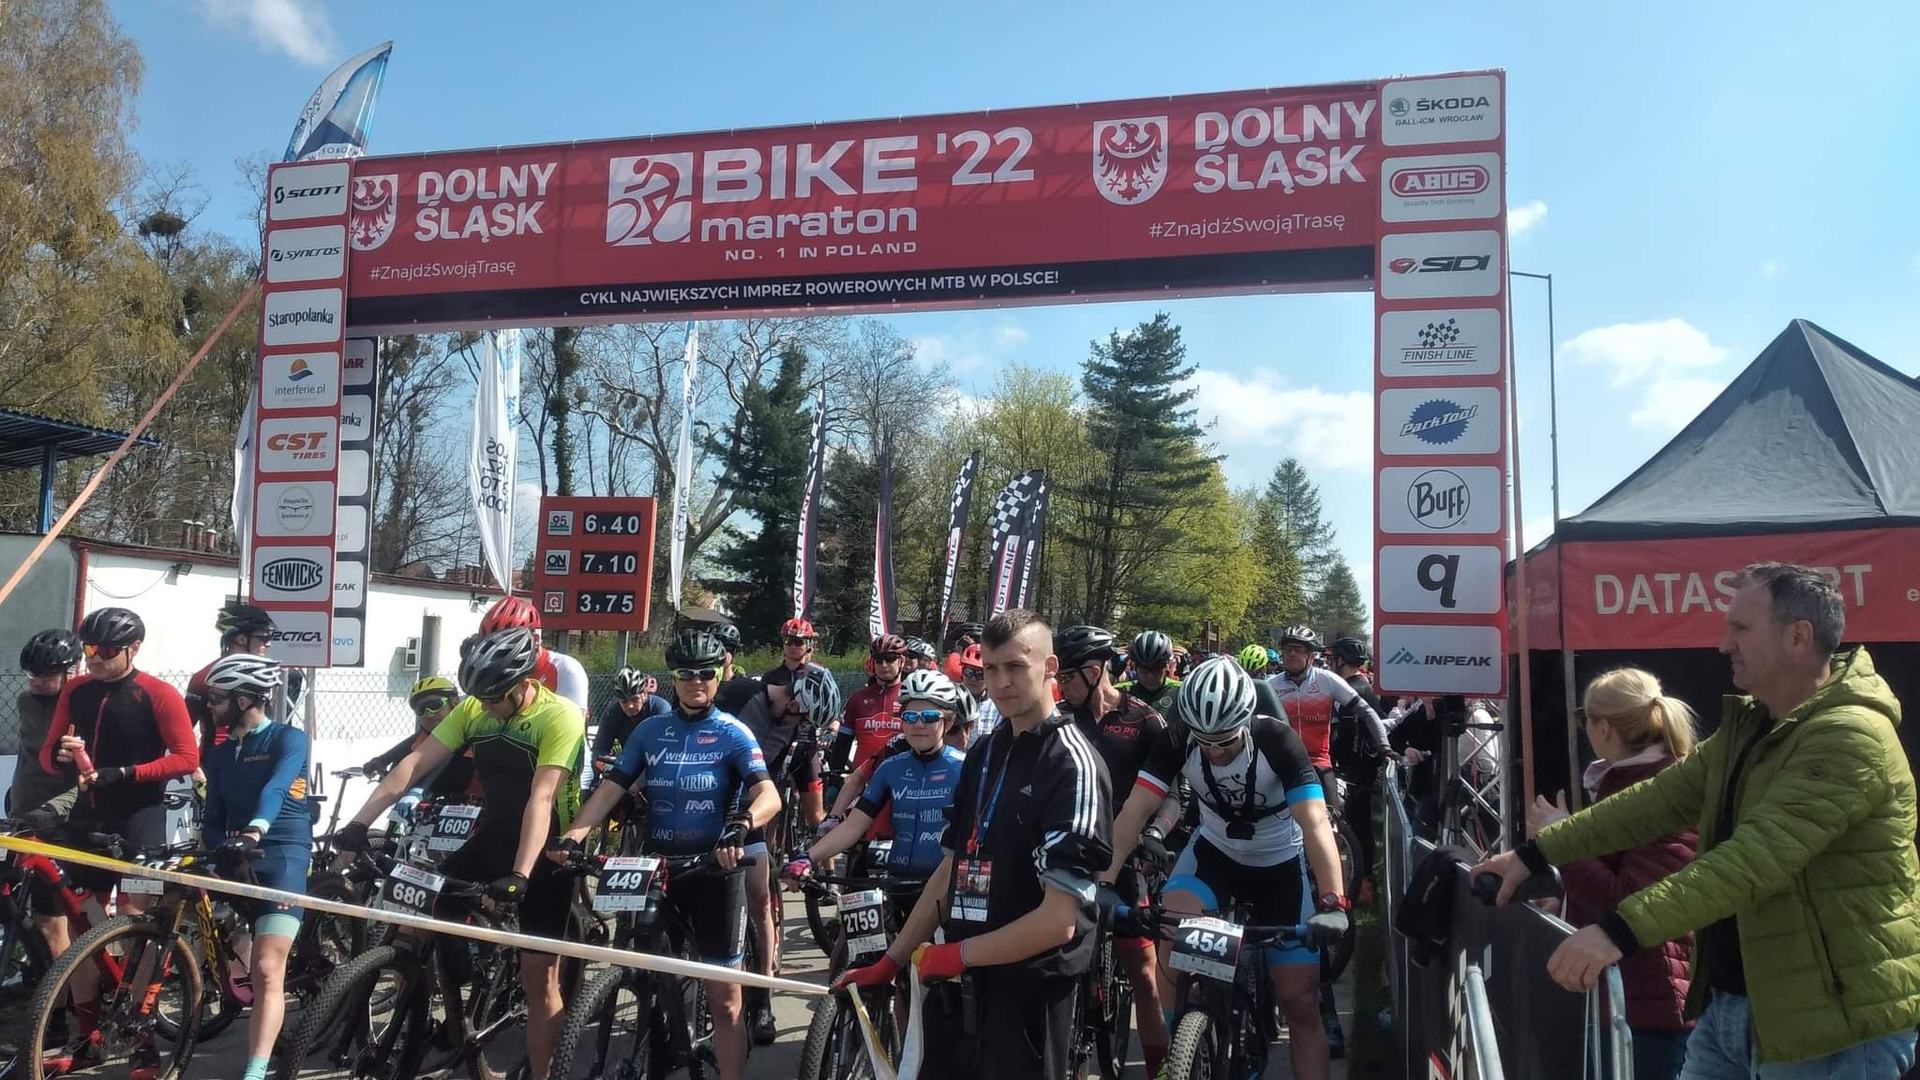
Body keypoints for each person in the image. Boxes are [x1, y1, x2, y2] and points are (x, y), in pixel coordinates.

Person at [1474, 562, 1920, 1077]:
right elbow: (1655, 801)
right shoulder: (1756, 724)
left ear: (1798, 637)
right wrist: (1532, 854)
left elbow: (1753, 860)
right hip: (1739, 1009)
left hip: (1829, 1028)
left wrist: (1617, 931)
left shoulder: (1849, 734)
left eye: (1741, 628)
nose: (1723, 643)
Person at [836, 610, 1113, 1080]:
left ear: (1050, 668)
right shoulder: (985, 750)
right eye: (991, 668)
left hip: (1028, 993)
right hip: (960, 984)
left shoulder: (1073, 764)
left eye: (1016, 667)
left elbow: (1058, 922)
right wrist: (892, 960)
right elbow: (950, 869)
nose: (1001, 683)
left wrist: (957, 955)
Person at [333, 628, 586, 1080]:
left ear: (522, 684)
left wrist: (520, 875)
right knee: (419, 912)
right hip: (495, 833)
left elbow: (542, 798)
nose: (484, 706)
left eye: (493, 698)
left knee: (539, 980)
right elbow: (414, 764)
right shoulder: (473, 708)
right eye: (479, 697)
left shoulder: (559, 715)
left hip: (548, 849)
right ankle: (453, 1006)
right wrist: (359, 823)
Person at [547, 629, 780, 1080]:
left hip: (713, 870)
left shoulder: (733, 733)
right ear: (673, 678)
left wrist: (742, 825)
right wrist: (573, 836)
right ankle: (664, 1039)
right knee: (644, 970)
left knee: (725, 1000)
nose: (696, 682)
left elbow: (769, 795)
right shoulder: (651, 731)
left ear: (718, 677)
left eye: (705, 673)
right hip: (655, 868)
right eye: (686, 674)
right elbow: (611, 789)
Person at [1109, 656, 1351, 1080]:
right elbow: (1134, 812)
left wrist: (1333, 901)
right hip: (1215, 854)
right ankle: (1179, 1049)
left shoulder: (1277, 740)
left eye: (1224, 741)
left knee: (1300, 1003)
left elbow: (1314, 824)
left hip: (1278, 863)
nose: (1215, 751)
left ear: (1245, 721)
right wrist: (1104, 881)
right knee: (1170, 930)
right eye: (1205, 742)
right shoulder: (1178, 737)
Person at [36, 607, 198, 1074]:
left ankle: (141, 1037)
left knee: (134, 924)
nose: (94, 658)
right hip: (88, 817)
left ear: (134, 649)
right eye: (88, 649)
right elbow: (47, 754)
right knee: (75, 923)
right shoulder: (77, 690)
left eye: (106, 651)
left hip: (140, 818)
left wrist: (126, 773)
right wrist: (61, 756)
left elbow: (186, 758)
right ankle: (89, 1033)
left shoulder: (158, 693)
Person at [1529, 667, 1699, 1080]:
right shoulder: (1629, 782)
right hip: (1629, 995)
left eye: (1582, 718)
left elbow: (1627, 900)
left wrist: (1561, 838)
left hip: (1649, 1004)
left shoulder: (1663, 788)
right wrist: (1564, 902)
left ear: (1603, 728)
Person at [1056, 625, 1174, 1079]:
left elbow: (1174, 790)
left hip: (1126, 858)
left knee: (1143, 973)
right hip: (1070, 854)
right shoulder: (1058, 718)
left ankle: (1160, 1070)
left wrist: (1156, 833)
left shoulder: (1145, 720)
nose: (1060, 685)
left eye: (1067, 676)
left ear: (1093, 671)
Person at [199, 653, 311, 1080]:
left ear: (244, 699)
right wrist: (223, 849)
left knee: (266, 969)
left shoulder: (288, 739)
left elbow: (276, 788)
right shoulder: (219, 755)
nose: (210, 705)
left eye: (217, 697)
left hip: (282, 853)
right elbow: (212, 818)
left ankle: (256, 1072)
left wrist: (253, 832)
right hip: (238, 853)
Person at [785, 669, 967, 885]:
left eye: (929, 717)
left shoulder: (963, 768)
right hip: (895, 882)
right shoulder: (890, 768)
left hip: (942, 886)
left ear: (948, 723)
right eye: (910, 717)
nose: (919, 725)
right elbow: (853, 826)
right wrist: (808, 858)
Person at [361, 676, 481, 813]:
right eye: (421, 709)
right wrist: (382, 760)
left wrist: (419, 790)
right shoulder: (424, 735)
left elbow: (446, 752)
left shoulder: (471, 724)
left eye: (434, 705)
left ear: (454, 702)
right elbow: (407, 746)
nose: (428, 714)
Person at [1327, 637, 1385, 906]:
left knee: (1355, 826)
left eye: (1334, 658)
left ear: (1342, 660)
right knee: (1359, 825)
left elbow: (1346, 734)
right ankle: (1363, 881)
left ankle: (1362, 884)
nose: (1331, 663)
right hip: (1363, 766)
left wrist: (1336, 761)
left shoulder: (1351, 689)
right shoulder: (1363, 686)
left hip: (1355, 769)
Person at [11, 629, 81, 817]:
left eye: (47, 675)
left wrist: (54, 809)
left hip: (65, 810)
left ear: (72, 671)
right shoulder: (26, 702)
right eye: (32, 674)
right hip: (24, 806)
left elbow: (95, 774)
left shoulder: (86, 706)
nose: (37, 681)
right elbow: (27, 757)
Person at [479, 595, 589, 710]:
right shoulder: (490, 671)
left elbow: (572, 719)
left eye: (509, 647)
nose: (499, 655)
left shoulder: (566, 669)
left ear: (535, 640)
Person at [833, 634, 908, 776]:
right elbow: (842, 744)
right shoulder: (858, 699)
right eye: (878, 660)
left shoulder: (910, 699)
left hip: (902, 779)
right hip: (862, 780)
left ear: (902, 661)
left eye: (890, 659)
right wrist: (834, 778)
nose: (884, 665)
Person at [588, 667, 671, 766]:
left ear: (645, 694)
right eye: (624, 701)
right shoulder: (612, 713)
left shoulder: (660, 710)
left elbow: (666, 749)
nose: (630, 705)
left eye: (635, 699)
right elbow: (599, 750)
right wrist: (606, 764)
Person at [1116, 629, 1180, 718]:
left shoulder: (1180, 691)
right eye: (1143, 669)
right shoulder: (1121, 691)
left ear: (1167, 665)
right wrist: (1113, 675)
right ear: (1135, 666)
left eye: (1156, 668)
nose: (1150, 676)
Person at [709, 622, 762, 716]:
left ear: (734, 652)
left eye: (725, 648)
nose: (718, 654)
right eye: (713, 648)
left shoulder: (745, 687)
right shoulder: (699, 683)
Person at [955, 642, 1002, 743]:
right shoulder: (949, 700)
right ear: (962, 672)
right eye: (969, 672)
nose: (973, 678)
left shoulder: (997, 707)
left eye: (980, 674)